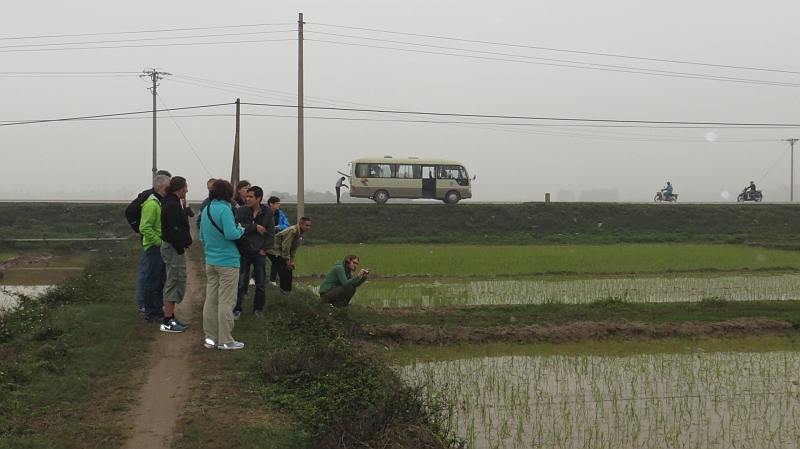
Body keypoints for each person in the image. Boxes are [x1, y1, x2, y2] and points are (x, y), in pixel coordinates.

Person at [200, 179, 246, 350]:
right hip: (228, 262)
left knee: (211, 300)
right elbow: (231, 234)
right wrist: (241, 229)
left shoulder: (206, 209)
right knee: (227, 301)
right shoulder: (225, 210)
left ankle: (210, 338)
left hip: (210, 261)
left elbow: (202, 237)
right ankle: (226, 340)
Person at [132, 169, 171, 313]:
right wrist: (159, 242)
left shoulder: (159, 203)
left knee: (160, 279)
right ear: (161, 187)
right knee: (152, 279)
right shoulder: (151, 204)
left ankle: (157, 307)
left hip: (158, 245)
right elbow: (145, 228)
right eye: (168, 186)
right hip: (154, 247)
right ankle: (150, 310)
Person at [234, 186, 275, 319]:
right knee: (241, 282)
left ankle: (258, 309)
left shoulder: (267, 212)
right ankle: (237, 309)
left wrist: (264, 250)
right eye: (247, 196)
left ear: (259, 198)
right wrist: (254, 227)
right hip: (244, 251)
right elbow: (236, 226)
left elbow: (270, 233)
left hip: (259, 253)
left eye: (251, 197)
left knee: (261, 283)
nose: (247, 199)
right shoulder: (241, 210)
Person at [159, 176, 192, 332]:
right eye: (185, 187)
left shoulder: (173, 203)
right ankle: (167, 321)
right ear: (180, 188)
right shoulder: (172, 205)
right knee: (174, 280)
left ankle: (170, 317)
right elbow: (174, 229)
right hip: (173, 248)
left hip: (173, 247)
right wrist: (180, 248)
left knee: (176, 279)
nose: (187, 190)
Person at [266, 217, 312, 293]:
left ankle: (287, 291)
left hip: (281, 251)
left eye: (310, 226)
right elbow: (286, 246)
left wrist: (291, 261)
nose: (308, 228)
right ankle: (285, 291)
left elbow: (293, 249)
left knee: (288, 270)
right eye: (306, 225)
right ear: (301, 224)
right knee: (284, 269)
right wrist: (287, 261)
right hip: (274, 250)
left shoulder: (299, 233)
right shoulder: (293, 231)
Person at [267, 196, 290, 286]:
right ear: (271, 204)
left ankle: (272, 280)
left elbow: (286, 225)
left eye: (279, 203)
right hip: (265, 238)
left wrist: (279, 227)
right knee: (260, 259)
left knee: (276, 259)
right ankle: (253, 278)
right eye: (277, 203)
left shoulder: (280, 214)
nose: (278, 205)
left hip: (277, 238)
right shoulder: (264, 212)